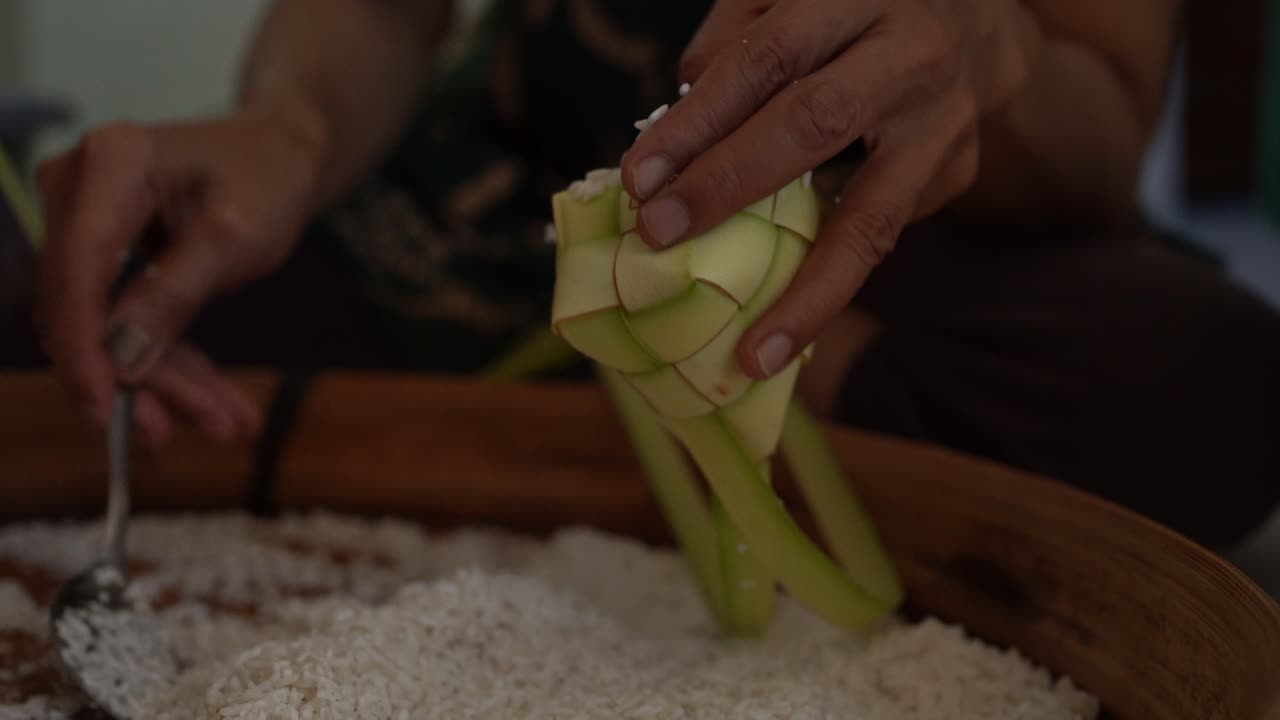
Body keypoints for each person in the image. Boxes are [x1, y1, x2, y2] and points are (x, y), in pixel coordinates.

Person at [30, 0, 1280, 550]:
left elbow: (1099, 127)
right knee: (88, 301)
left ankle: (676, 377)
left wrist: (991, 45)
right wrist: (290, 133)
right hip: (494, 208)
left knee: (1195, 385)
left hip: (898, 245)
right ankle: (640, 394)